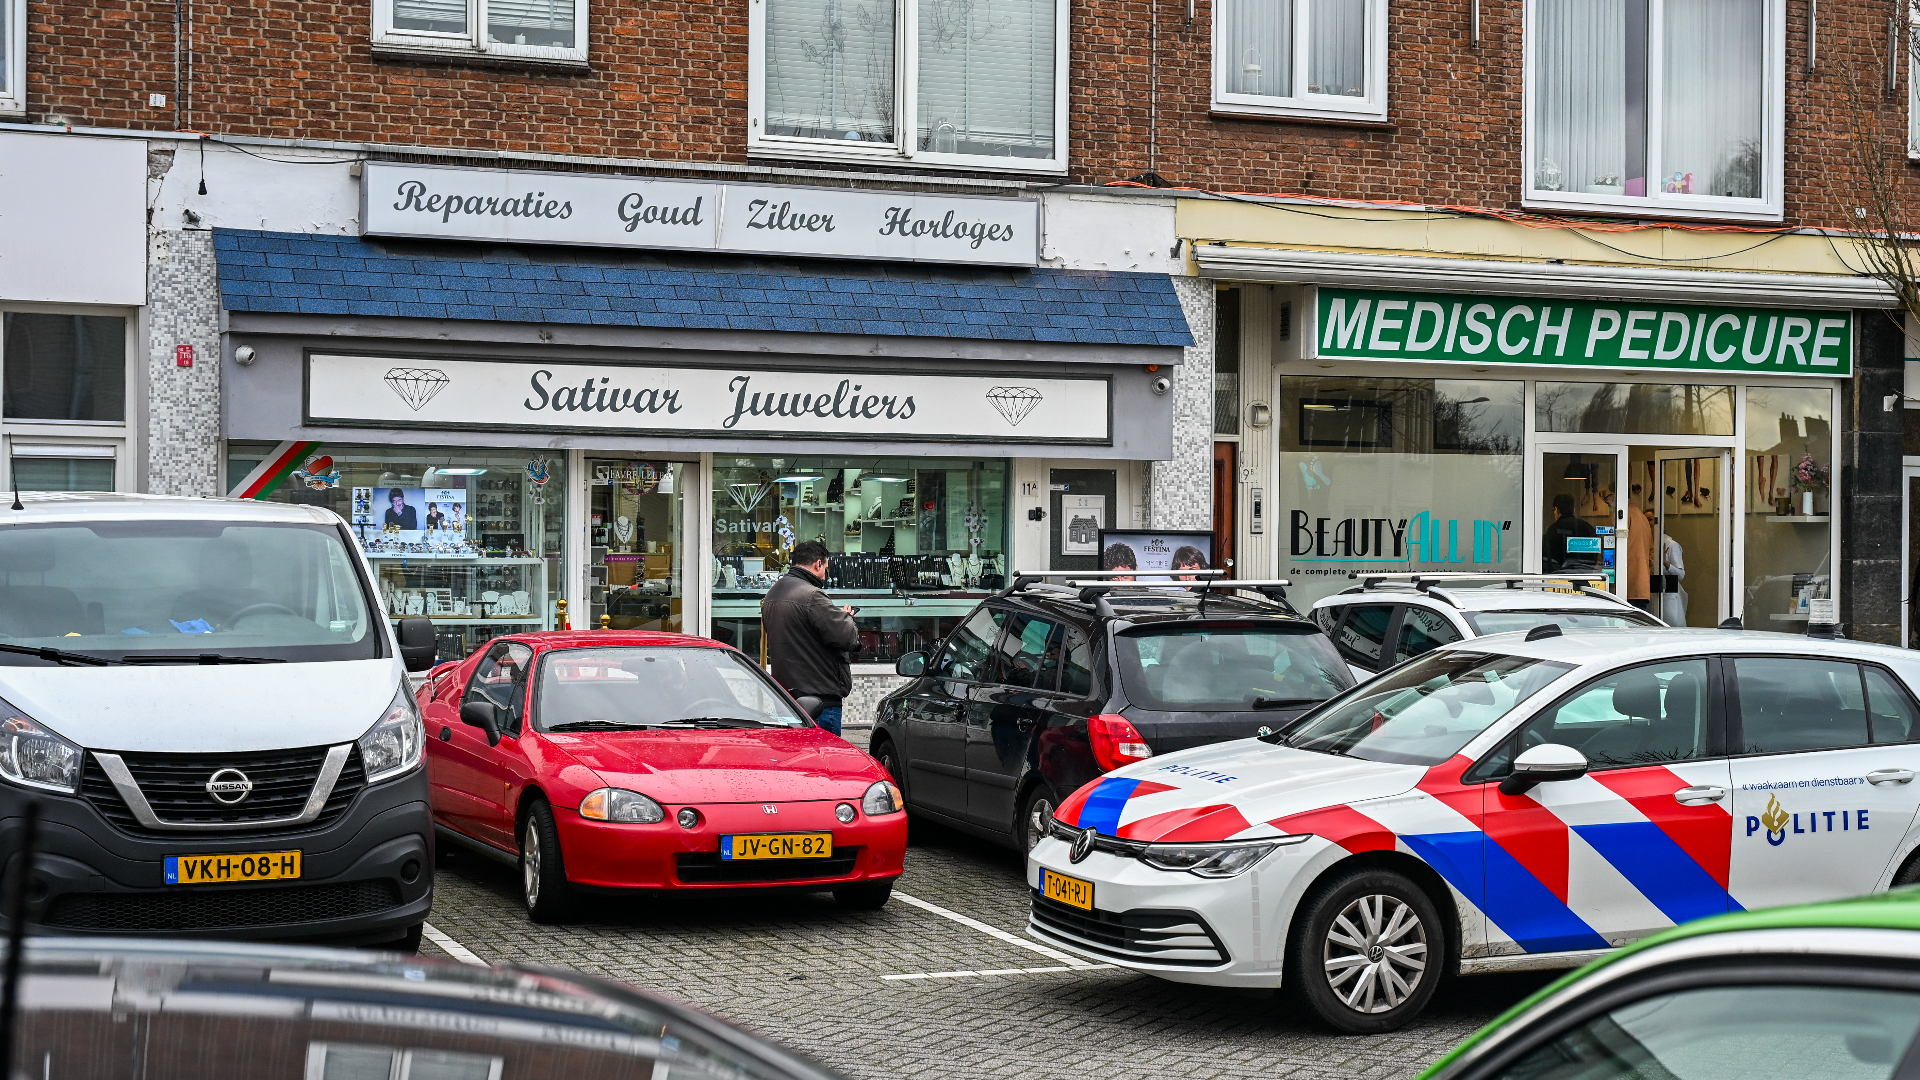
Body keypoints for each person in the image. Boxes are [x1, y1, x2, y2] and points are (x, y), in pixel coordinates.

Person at [762, 539, 858, 736]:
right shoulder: (812, 595)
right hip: (819, 700)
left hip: (787, 697)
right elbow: (845, 637)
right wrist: (846, 618)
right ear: (818, 563)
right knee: (825, 761)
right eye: (825, 568)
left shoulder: (773, 593)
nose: (825, 575)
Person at [1543, 493, 1596, 573]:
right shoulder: (1588, 527)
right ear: (1573, 509)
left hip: (1559, 576)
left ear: (1557, 510)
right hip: (1585, 575)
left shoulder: (1553, 529)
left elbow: (1549, 557)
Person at [1659, 521, 1688, 625]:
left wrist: (1666, 563)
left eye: (1651, 519)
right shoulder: (1646, 544)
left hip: (1668, 594)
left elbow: (1680, 575)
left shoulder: (1671, 545)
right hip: (1651, 595)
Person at [1626, 508, 1653, 612]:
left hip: (1626, 586)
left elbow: (1608, 549)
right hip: (1642, 586)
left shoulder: (1621, 515)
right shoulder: (1642, 518)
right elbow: (1651, 552)